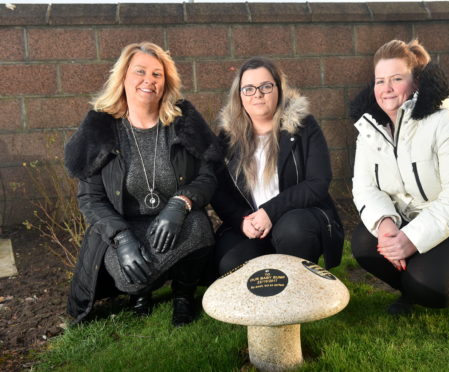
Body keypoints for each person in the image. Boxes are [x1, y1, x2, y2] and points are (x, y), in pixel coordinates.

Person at [64, 42, 220, 326]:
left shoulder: (182, 121)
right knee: (130, 280)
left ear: (166, 82)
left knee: (200, 228)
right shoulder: (101, 128)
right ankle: (142, 292)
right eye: (140, 71)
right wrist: (121, 238)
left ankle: (183, 294)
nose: (149, 80)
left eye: (157, 74)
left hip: (174, 219)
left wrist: (181, 202)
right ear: (123, 76)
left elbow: (208, 175)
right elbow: (90, 199)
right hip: (124, 226)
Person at [350, 39, 449, 316]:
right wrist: (386, 225)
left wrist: (410, 240)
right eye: (379, 80)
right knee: (365, 243)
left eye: (396, 79)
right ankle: (410, 290)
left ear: (416, 83)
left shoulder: (445, 121)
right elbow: (364, 187)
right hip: (415, 222)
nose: (386, 89)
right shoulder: (370, 129)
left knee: (428, 284)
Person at [211, 57, 344, 276]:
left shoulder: (304, 126)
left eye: (265, 86)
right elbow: (219, 189)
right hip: (252, 224)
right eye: (249, 89)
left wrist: (270, 212)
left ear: (278, 89)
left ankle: (299, 289)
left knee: (294, 231)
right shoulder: (228, 136)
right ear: (239, 96)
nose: (258, 94)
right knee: (229, 263)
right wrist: (242, 221)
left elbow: (317, 182)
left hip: (295, 219)